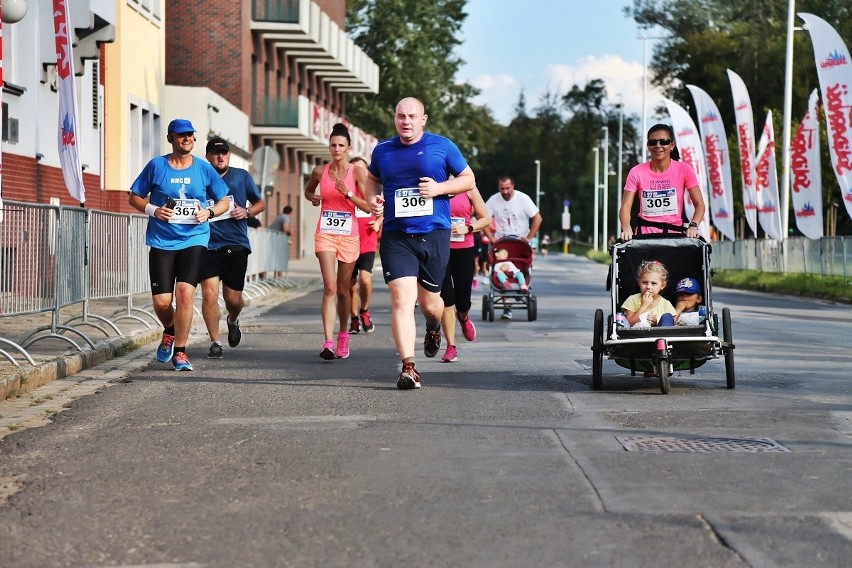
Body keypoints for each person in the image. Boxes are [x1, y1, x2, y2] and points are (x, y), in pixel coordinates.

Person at [366, 97, 476, 389]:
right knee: (402, 300)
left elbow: (468, 179)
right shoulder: (383, 151)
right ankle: (408, 367)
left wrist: (440, 188)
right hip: (396, 235)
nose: (406, 121)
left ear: (423, 119)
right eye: (401, 116)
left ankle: (433, 326)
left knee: (430, 303)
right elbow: (372, 180)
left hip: (434, 233)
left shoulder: (442, 146)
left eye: (412, 116)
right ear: (395, 118)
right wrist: (373, 199)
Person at [128, 118, 230, 371]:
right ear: (171, 138)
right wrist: (153, 210)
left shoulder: (204, 169)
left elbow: (225, 200)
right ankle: (170, 330)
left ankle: (181, 352)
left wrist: (211, 213)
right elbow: (134, 196)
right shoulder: (157, 166)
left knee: (185, 294)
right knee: (162, 303)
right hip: (162, 240)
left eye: (191, 135)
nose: (187, 139)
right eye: (181, 135)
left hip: (194, 239)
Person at [305, 123, 370, 360]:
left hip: (349, 235)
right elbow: (308, 191)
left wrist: (348, 194)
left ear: (349, 148)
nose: (336, 149)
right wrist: (314, 197)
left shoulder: (357, 172)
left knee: (344, 291)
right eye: (333, 145)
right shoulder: (319, 171)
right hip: (325, 233)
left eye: (341, 145)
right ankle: (328, 342)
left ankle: (343, 334)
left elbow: (367, 205)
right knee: (330, 287)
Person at [199, 137, 266, 359]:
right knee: (209, 294)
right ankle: (215, 342)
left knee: (233, 300)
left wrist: (246, 212)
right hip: (207, 244)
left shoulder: (241, 176)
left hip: (236, 244)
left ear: (229, 155)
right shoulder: (200, 176)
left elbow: (260, 203)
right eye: (216, 153)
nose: (221, 156)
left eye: (224, 153)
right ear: (208, 157)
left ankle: (233, 319)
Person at [619, 124, 706, 241]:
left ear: (672, 145)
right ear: (648, 146)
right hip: (645, 238)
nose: (658, 145)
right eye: (653, 142)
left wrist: (693, 225)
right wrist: (626, 228)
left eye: (663, 142)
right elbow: (625, 206)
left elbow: (699, 204)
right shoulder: (636, 172)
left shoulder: (685, 169)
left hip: (674, 237)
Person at [439, 186, 491, 363]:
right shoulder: (435, 186)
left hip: (464, 249)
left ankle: (463, 317)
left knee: (462, 301)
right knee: (447, 298)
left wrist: (468, 228)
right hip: (440, 249)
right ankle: (451, 347)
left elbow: (486, 219)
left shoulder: (468, 188)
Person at [485, 176, 542, 319]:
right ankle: (507, 307)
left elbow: (538, 218)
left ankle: (521, 288)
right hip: (501, 243)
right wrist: (491, 237)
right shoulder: (493, 200)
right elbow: (484, 218)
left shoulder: (523, 199)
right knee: (499, 268)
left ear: (513, 186)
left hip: (520, 242)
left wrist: (529, 237)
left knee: (520, 268)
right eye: (502, 188)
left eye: (507, 188)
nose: (505, 191)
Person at [347, 157, 382, 335]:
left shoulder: (373, 191)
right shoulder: (347, 191)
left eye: (362, 169)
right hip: (348, 241)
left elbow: (386, 208)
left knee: (365, 280)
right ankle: (354, 318)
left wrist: (378, 223)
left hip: (367, 241)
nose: (359, 172)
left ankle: (365, 310)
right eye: (356, 168)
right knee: (350, 284)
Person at [621, 260, 677, 328]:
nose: (648, 287)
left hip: (660, 335)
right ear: (639, 282)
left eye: (653, 283)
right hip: (638, 335)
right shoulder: (632, 300)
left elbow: (672, 325)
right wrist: (643, 306)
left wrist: (656, 324)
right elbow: (629, 324)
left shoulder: (666, 304)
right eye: (644, 282)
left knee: (667, 316)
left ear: (662, 285)